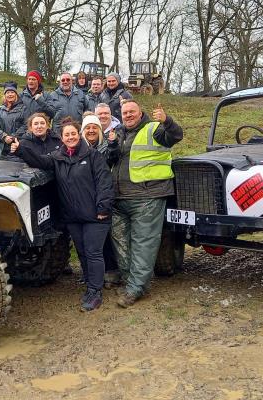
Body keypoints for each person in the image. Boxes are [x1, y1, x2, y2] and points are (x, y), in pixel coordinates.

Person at [13, 119, 114, 312]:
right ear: (62, 137)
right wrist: (20, 150)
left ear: (79, 134)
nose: (70, 137)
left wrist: (103, 208)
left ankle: (95, 291)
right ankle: (90, 281)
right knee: (83, 252)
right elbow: (39, 161)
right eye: (66, 135)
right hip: (74, 216)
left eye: (73, 134)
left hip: (95, 215)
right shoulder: (58, 157)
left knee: (93, 253)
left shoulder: (93, 156)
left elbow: (104, 183)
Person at [110, 100, 183, 307]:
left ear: (140, 112)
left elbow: (175, 136)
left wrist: (167, 120)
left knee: (144, 244)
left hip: (147, 197)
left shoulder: (155, 129)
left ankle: (136, 289)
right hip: (120, 198)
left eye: (132, 112)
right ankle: (129, 282)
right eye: (125, 113)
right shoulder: (119, 133)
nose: (128, 115)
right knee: (121, 243)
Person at [81, 112, 121, 287]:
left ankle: (111, 271)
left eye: (94, 128)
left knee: (105, 238)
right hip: (84, 197)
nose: (91, 130)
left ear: (99, 130)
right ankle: (91, 273)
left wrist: (112, 145)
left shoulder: (106, 146)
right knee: (87, 240)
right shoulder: (78, 147)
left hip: (103, 196)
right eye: (87, 128)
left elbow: (113, 158)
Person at [0, 82, 27, 160]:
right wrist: (4, 137)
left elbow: (26, 126)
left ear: (16, 94)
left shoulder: (24, 109)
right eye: (8, 92)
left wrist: (13, 137)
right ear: (5, 95)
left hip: (17, 145)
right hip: (0, 147)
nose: (10, 94)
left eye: (12, 92)